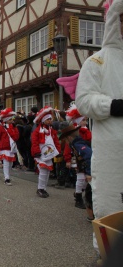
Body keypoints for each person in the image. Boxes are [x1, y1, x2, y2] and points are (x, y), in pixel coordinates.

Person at [74, 0, 123, 257]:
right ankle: (108, 257)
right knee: (111, 208)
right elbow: (83, 100)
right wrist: (112, 106)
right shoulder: (98, 61)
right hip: (112, 151)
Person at [59, 121, 94, 219]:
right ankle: (79, 198)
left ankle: (92, 214)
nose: (65, 142)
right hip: (82, 164)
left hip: (86, 166)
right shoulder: (75, 144)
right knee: (82, 182)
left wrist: (88, 172)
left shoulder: (78, 145)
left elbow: (88, 155)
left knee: (88, 188)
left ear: (69, 138)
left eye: (65, 139)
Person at [31, 106, 61, 198]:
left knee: (47, 171)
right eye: (48, 119)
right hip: (40, 154)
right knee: (43, 170)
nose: (50, 121)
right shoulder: (37, 131)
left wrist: (58, 151)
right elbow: (34, 142)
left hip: (49, 153)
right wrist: (36, 152)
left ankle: (43, 188)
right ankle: (40, 189)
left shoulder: (52, 131)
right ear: (43, 121)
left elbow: (56, 141)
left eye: (50, 119)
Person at [0, 108, 19, 186]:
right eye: (10, 119)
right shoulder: (1, 128)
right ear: (6, 120)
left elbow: (17, 137)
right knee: (6, 163)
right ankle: (6, 178)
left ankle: (8, 176)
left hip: (11, 148)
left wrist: (14, 129)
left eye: (12, 119)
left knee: (11, 163)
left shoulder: (14, 127)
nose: (12, 120)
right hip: (4, 148)